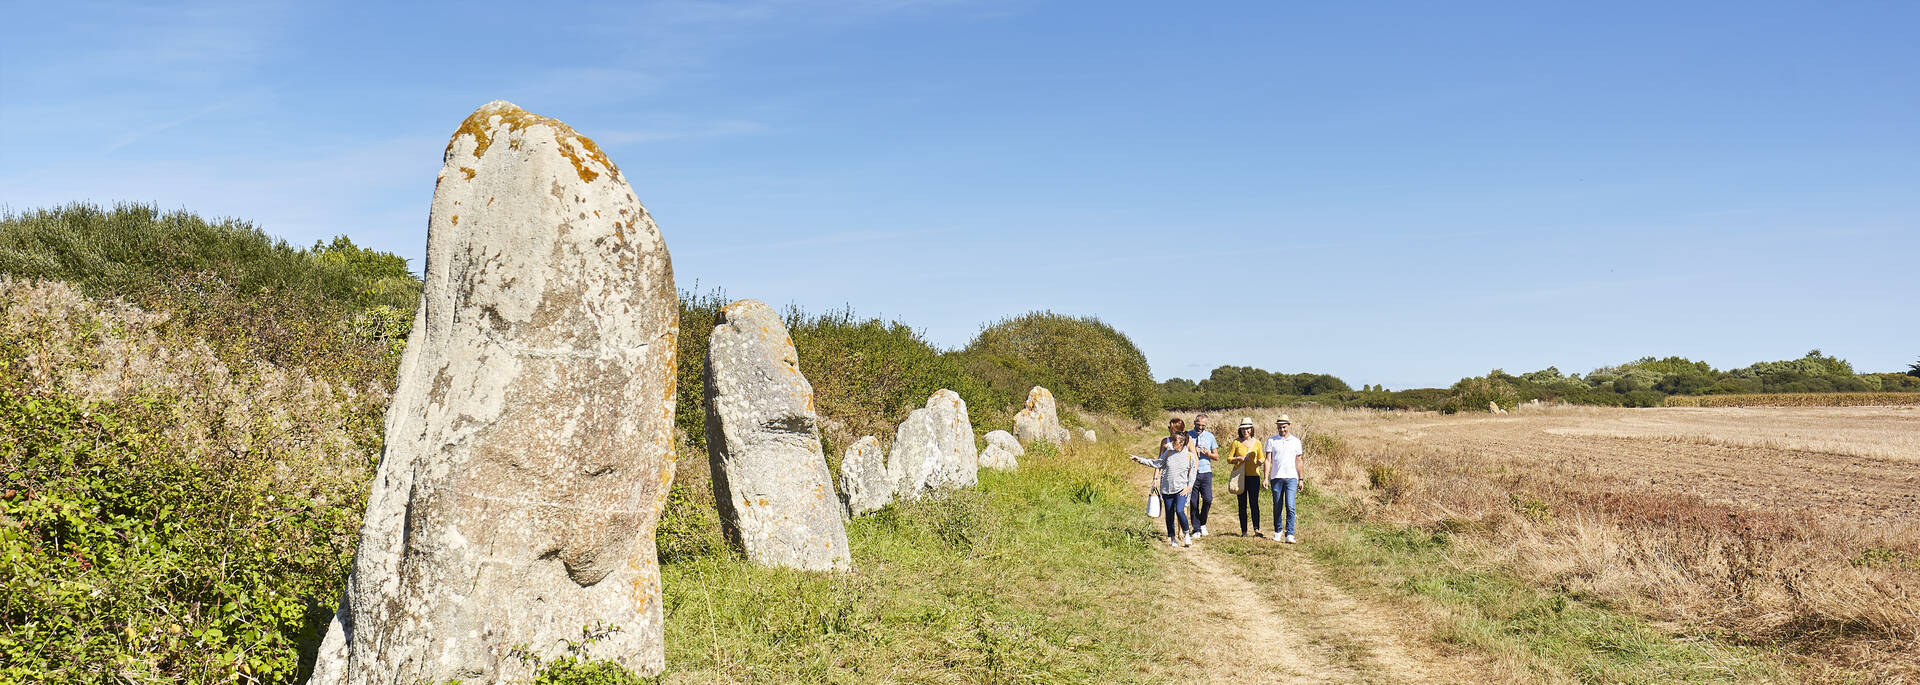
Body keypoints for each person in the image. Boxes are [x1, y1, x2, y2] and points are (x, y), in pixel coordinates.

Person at [1132, 431, 1198, 547]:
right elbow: (1156, 463)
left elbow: (1193, 472)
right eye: (1171, 440)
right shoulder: (1168, 453)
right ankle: (1172, 537)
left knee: (1179, 510)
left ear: (1182, 442)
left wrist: (1189, 486)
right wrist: (1140, 460)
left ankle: (1186, 534)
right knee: (1169, 514)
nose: (1171, 442)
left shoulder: (1189, 456)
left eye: (1174, 441)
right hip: (1167, 489)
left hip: (1181, 489)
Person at [1221, 417, 1266, 537]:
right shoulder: (1236, 442)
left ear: (1252, 429)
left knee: (1254, 503)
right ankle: (1244, 531)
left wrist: (1260, 461)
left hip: (1254, 476)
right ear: (1240, 430)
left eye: (1248, 428)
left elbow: (1262, 457)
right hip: (1240, 476)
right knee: (1242, 504)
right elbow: (1229, 459)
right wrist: (1238, 459)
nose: (1245, 431)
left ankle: (1257, 529)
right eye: (1243, 429)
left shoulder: (1257, 443)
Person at [1264, 415, 1305, 544]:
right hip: (1276, 477)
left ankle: (1290, 534)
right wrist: (1265, 478)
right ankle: (1278, 531)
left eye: (1284, 427)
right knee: (1277, 505)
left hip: (1291, 478)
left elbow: (1299, 460)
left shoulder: (1296, 441)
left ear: (1289, 426)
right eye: (1280, 427)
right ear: (1277, 427)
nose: (1282, 430)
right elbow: (1268, 460)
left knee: (1290, 506)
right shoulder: (1271, 441)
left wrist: (1301, 479)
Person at [1186, 414, 1218, 537]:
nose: (1200, 427)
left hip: (1205, 472)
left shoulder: (1210, 437)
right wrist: (1193, 451)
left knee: (1208, 499)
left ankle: (1203, 523)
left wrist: (1208, 453)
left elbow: (1216, 456)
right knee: (1193, 502)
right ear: (1194, 422)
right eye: (1198, 424)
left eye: (1203, 425)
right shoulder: (1188, 435)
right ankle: (1196, 528)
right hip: (1192, 472)